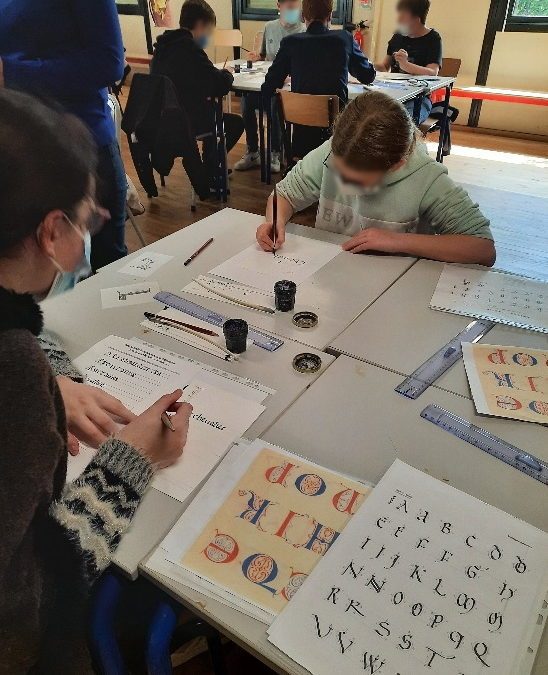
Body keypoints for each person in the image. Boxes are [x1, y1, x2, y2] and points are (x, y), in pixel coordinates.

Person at [0, 89, 193, 673]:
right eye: (88, 218)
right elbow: (29, 600)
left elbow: (21, 330)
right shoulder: (13, 375)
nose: (91, 233)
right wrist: (131, 459)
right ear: (52, 231)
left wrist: (51, 372)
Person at [256, 91, 496, 266]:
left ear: (396, 166)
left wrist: (398, 241)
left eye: (358, 181)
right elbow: (284, 194)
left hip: (394, 291)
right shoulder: (332, 152)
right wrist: (274, 220)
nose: (345, 184)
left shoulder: (426, 177)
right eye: (339, 173)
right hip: (332, 273)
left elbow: (482, 248)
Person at [0, 0, 130, 272]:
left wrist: (12, 73)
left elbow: (109, 62)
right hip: (17, 151)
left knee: (104, 278)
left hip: (80, 151)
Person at [151, 0, 245, 191]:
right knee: (234, 123)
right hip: (189, 121)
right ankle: (209, 169)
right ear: (201, 25)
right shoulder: (191, 50)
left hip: (162, 121)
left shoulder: (162, 47)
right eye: (209, 31)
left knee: (210, 109)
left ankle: (208, 168)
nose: (208, 37)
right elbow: (218, 85)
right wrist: (227, 73)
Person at [262, 0, 375, 158]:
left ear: (303, 16)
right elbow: (368, 76)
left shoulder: (290, 43)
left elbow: (269, 86)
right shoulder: (344, 39)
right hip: (335, 138)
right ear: (330, 16)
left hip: (301, 140)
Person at [234, 0, 304, 174]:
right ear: (279, 7)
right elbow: (263, 56)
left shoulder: (303, 30)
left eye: (296, 7)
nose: (293, 11)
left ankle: (275, 152)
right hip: (268, 81)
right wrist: (256, 56)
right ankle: (253, 150)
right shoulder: (269, 27)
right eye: (289, 7)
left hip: (289, 90)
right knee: (246, 100)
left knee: (275, 102)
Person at [376, 0, 443, 123]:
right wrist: (363, 63)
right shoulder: (398, 37)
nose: (398, 21)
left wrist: (406, 65)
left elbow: (433, 72)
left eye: (402, 17)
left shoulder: (433, 39)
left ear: (416, 20)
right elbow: (385, 66)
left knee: (402, 123)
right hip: (392, 93)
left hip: (418, 99)